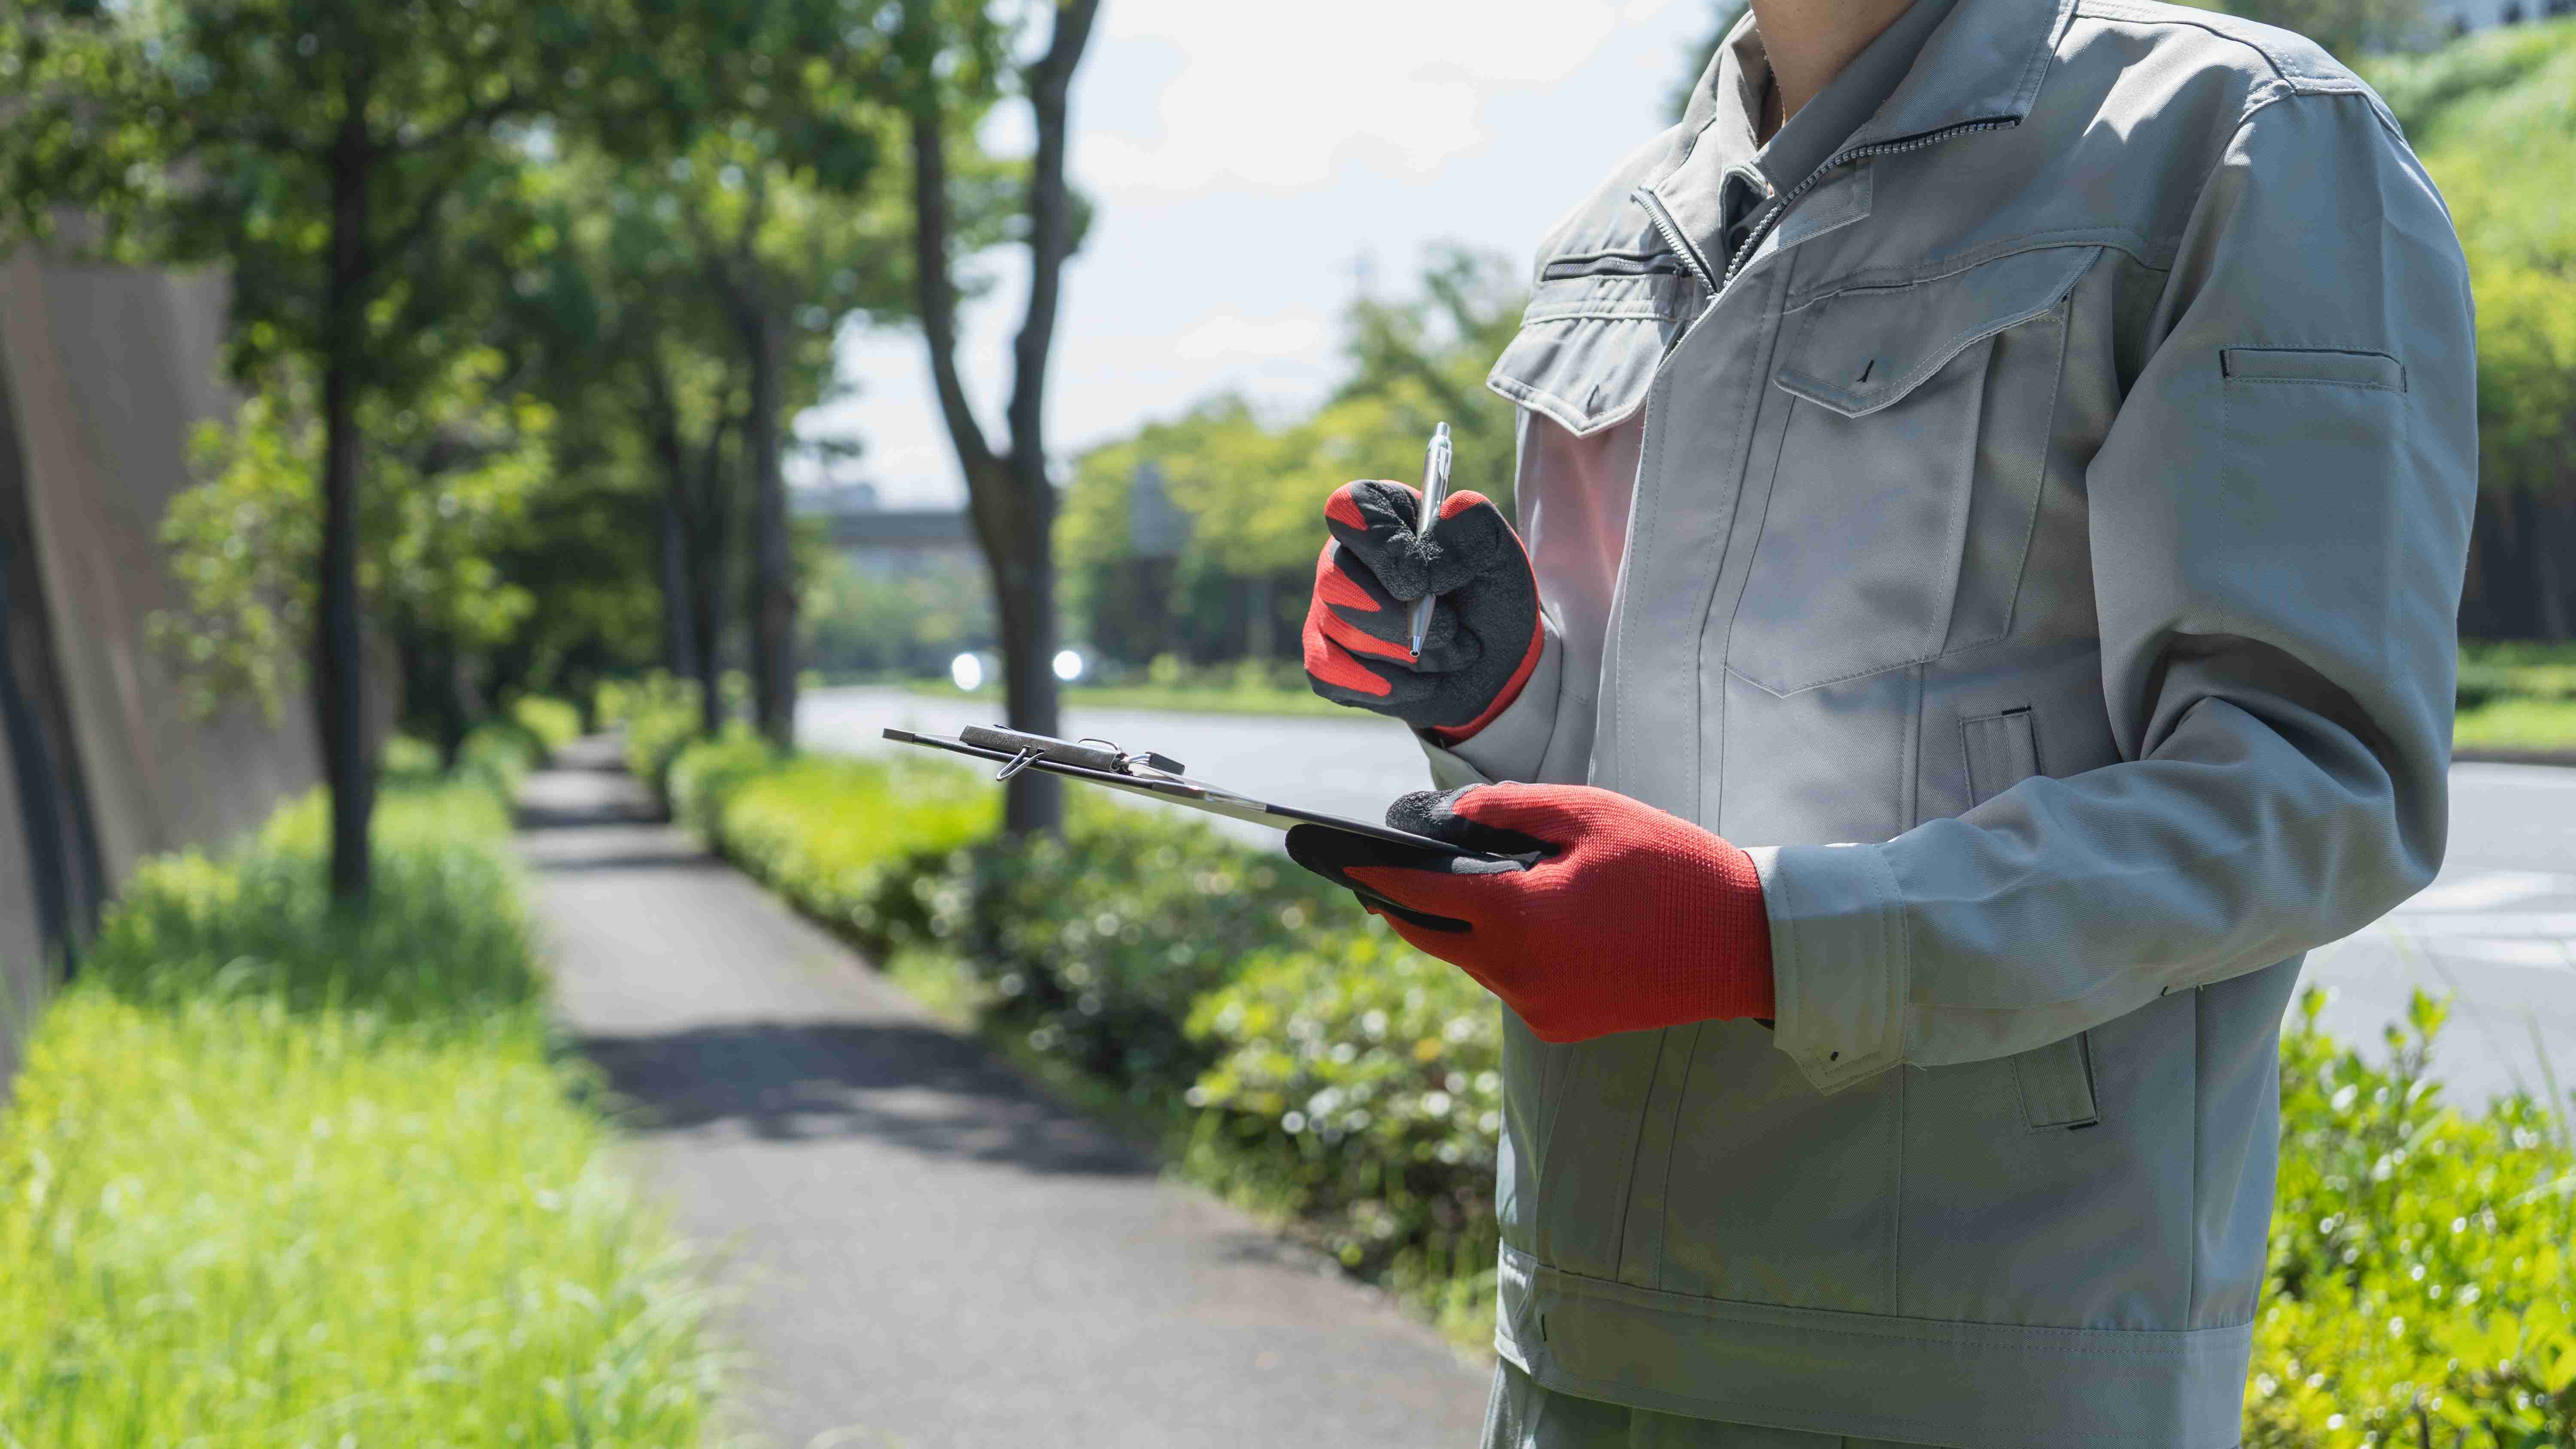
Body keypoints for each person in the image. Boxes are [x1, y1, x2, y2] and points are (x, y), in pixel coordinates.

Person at [1286, 0, 2478, 1443]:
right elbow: (1662, 764)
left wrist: (1767, 937)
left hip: (1988, 1364)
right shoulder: (1628, 219)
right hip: (1582, 1326)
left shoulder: (2236, 138)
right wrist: (1504, 701)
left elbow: (2317, 787)